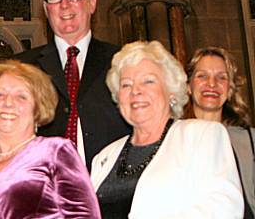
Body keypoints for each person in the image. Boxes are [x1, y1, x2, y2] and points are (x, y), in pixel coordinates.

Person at [90, 41, 243, 218]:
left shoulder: (203, 136)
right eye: (126, 84)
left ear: (171, 91)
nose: (136, 91)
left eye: (148, 81)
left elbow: (223, 211)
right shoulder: (103, 157)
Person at [13, 0, 129, 168]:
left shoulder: (123, 61)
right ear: (46, 10)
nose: (64, 5)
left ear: (92, 2)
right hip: (45, 188)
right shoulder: (22, 68)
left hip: (111, 188)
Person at [0, 60, 100, 218]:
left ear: (37, 110)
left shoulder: (55, 152)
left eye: (21, 97)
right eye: (0, 94)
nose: (8, 102)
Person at [185, 46, 254, 218]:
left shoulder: (250, 140)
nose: (212, 84)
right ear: (188, 86)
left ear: (229, 89)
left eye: (221, 77)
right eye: (202, 76)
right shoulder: (172, 140)